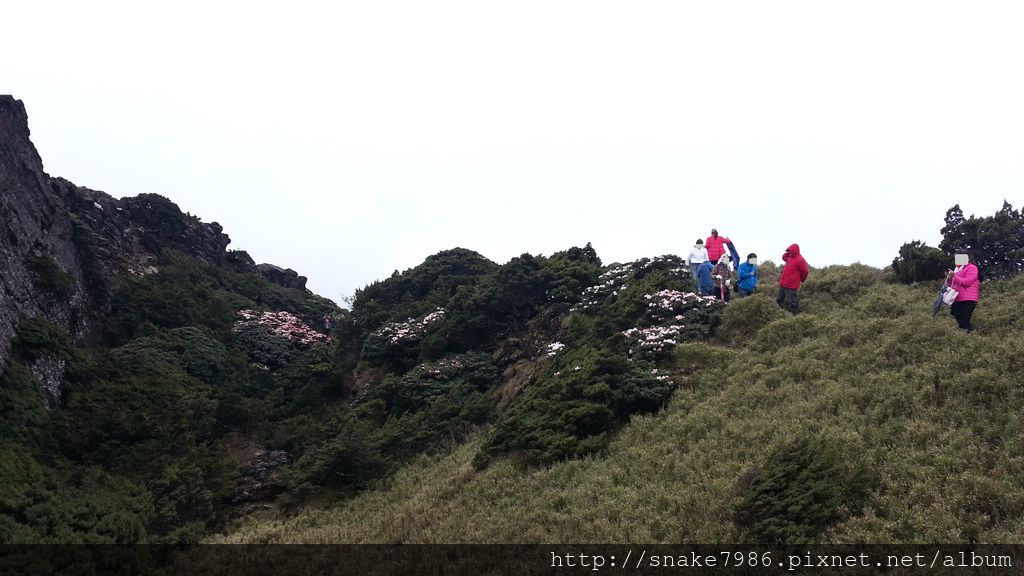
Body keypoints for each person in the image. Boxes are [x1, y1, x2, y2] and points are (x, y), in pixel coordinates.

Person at [947, 251, 979, 332]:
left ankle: (968, 338)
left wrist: (954, 276)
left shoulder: (972, 268)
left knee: (964, 322)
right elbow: (952, 284)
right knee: (958, 321)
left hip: (968, 299)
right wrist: (950, 278)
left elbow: (967, 282)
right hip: (957, 298)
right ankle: (969, 335)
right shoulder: (957, 269)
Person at [777, 244, 808, 313]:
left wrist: (802, 279)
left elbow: (805, 271)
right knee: (779, 300)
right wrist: (788, 251)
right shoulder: (790, 258)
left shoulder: (800, 260)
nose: (789, 252)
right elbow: (783, 257)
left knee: (792, 302)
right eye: (788, 251)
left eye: (790, 251)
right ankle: (779, 313)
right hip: (783, 283)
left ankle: (794, 316)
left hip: (791, 285)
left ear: (794, 251)